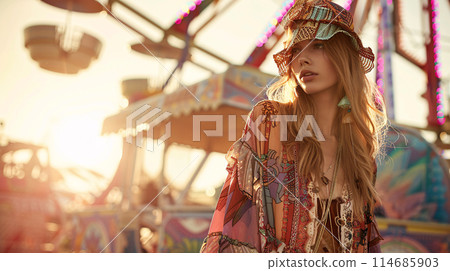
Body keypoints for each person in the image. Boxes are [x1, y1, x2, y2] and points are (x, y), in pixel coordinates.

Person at [200, 0, 388, 253]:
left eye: (318, 45)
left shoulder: (361, 152)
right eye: (296, 50)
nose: (303, 59)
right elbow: (235, 223)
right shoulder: (270, 121)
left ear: (344, 54)